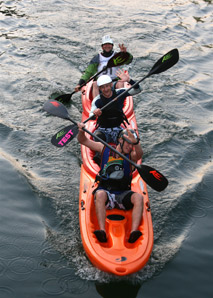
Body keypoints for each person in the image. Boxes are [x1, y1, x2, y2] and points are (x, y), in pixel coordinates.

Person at [77, 124, 144, 243]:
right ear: (120, 140)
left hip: (123, 193)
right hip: (106, 192)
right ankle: (102, 231)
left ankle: (134, 232)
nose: (130, 146)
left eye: (131, 144)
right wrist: (81, 131)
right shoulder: (104, 148)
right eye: (128, 142)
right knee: (100, 194)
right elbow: (83, 141)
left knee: (138, 197)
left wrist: (136, 142)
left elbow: (139, 155)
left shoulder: (131, 156)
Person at [89, 70, 142, 166]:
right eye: (102, 87)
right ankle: (99, 155)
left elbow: (138, 90)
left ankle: (126, 157)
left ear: (111, 85)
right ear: (100, 89)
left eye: (107, 86)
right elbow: (91, 116)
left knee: (128, 137)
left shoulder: (120, 93)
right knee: (97, 135)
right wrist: (95, 113)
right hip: (103, 130)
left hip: (118, 129)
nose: (105, 89)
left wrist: (129, 80)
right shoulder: (97, 100)